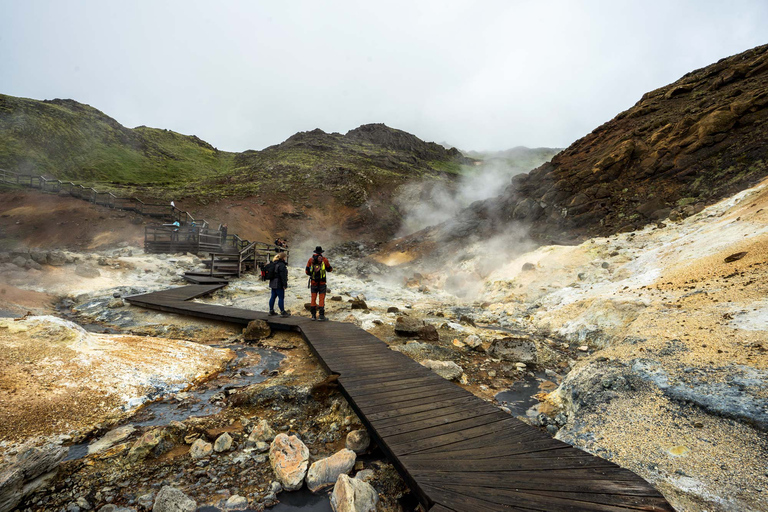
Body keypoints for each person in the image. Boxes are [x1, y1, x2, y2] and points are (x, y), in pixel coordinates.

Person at [305, 246, 333, 321]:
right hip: (322, 283)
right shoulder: (324, 260)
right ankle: (321, 316)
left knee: (313, 298)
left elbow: (307, 272)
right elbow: (330, 269)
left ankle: (313, 316)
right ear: (321, 252)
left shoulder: (310, 260)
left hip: (313, 282)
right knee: (321, 299)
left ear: (315, 252)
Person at [268, 252, 290, 317]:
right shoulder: (282, 265)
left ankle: (271, 311)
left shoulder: (274, 263)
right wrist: (285, 285)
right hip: (279, 283)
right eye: (285, 257)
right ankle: (283, 312)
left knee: (273, 297)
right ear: (283, 258)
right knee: (281, 297)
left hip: (272, 282)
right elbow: (283, 276)